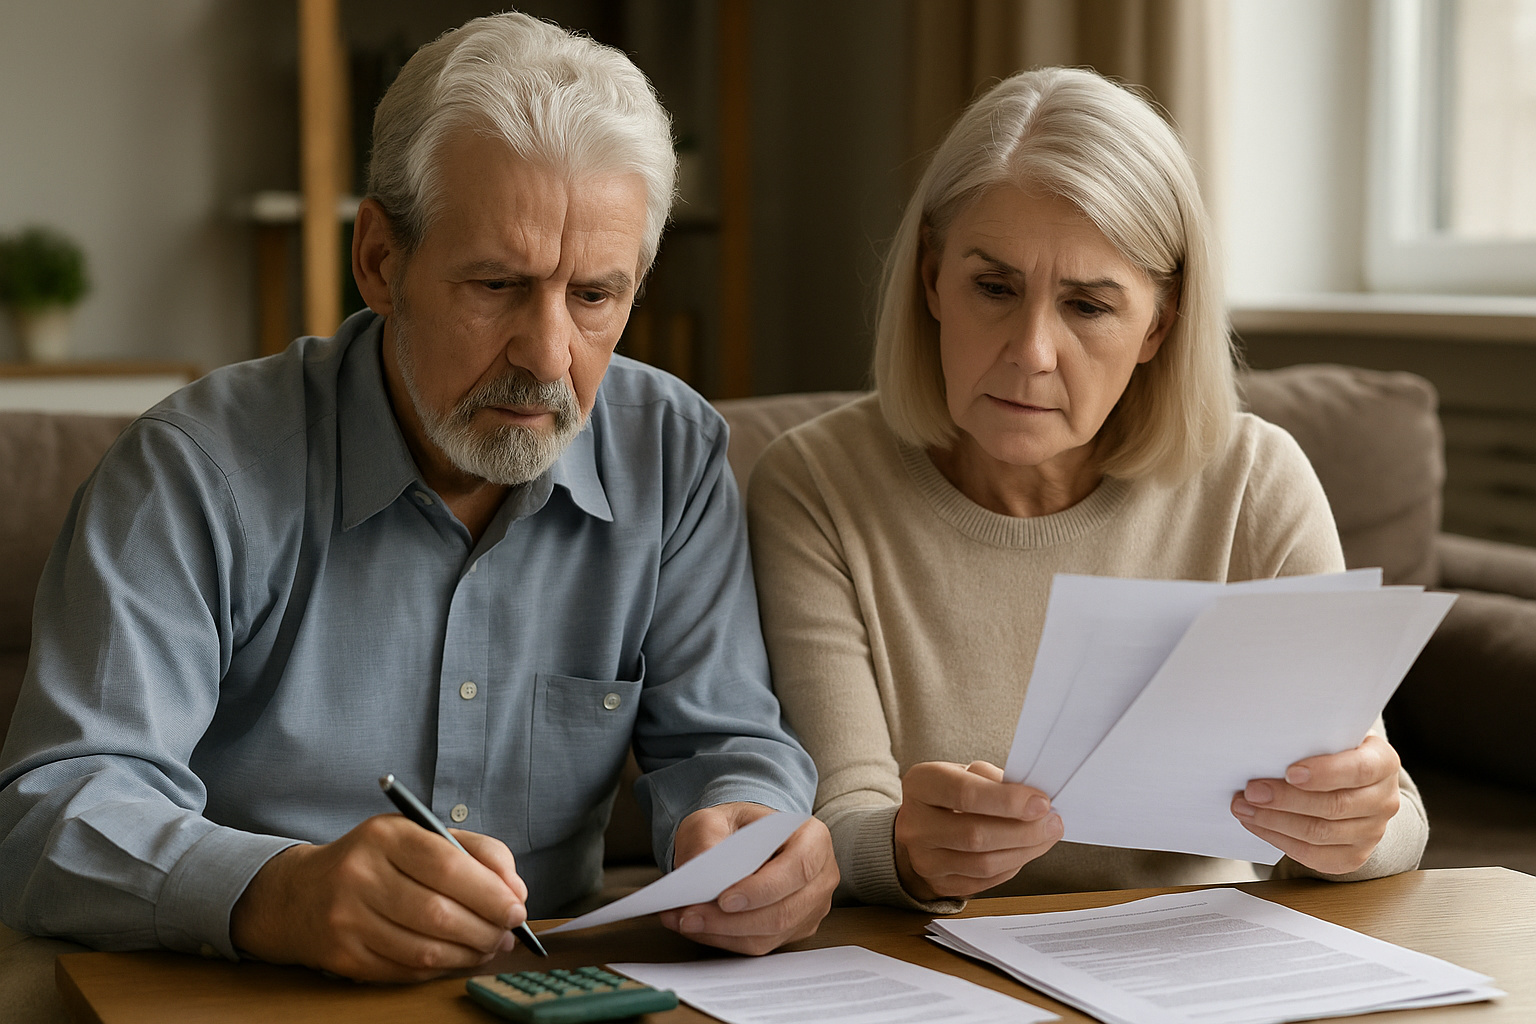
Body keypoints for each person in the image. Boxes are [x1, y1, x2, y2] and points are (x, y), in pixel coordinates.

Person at [0, 12, 835, 984]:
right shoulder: (194, 473)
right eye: (496, 283)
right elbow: (55, 811)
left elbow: (724, 743)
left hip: (555, 993)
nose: (547, 354)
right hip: (257, 996)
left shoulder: (676, 456)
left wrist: (758, 827)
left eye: (595, 297)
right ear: (380, 261)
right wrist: (280, 892)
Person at [747, 67, 1427, 912]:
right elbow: (839, 817)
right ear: (930, 279)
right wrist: (904, 851)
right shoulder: (816, 483)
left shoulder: (1257, 481)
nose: (1031, 349)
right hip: (942, 969)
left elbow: (1389, 811)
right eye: (993, 288)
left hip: (1198, 966)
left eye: (1088, 306)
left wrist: (1356, 825)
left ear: (1158, 326)